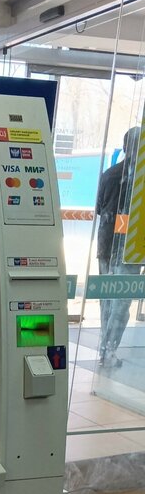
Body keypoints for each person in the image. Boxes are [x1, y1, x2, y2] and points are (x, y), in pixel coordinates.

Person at [95, 126, 141, 367]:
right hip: (127, 250)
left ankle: (106, 350)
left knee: (108, 301)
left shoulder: (109, 174)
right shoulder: (136, 181)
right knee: (120, 304)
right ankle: (109, 350)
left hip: (107, 246)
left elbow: (99, 209)